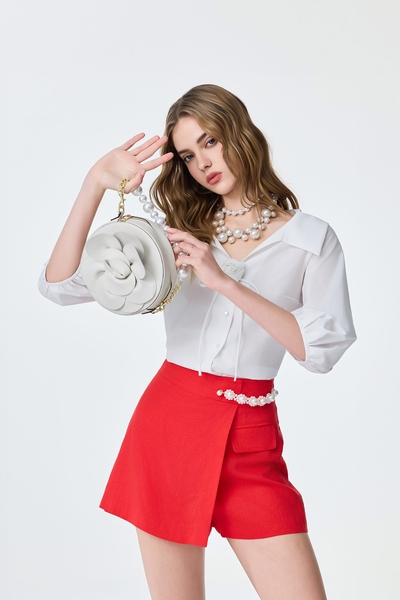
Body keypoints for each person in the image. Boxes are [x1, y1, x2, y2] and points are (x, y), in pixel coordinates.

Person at [38, 84, 356, 600]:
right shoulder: (178, 234)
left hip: (252, 437)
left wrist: (225, 282)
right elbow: (59, 286)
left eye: (210, 141)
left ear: (241, 133)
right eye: (188, 155)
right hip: (170, 426)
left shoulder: (311, 239)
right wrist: (94, 183)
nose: (203, 162)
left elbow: (322, 351)